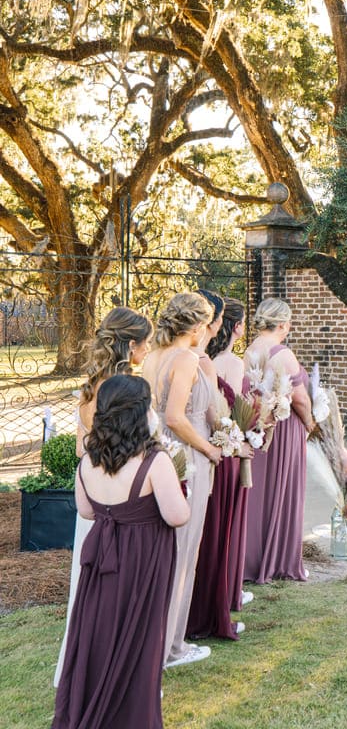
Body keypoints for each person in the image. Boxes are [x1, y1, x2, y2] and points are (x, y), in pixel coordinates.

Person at [53, 375, 190, 729]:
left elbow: (85, 511)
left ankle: (93, 700)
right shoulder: (153, 460)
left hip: (101, 560)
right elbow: (177, 516)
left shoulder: (88, 461)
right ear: (139, 413)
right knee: (138, 639)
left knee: (98, 633)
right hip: (141, 562)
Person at [54, 307, 153, 688]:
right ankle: (117, 671)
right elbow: (130, 449)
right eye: (145, 344)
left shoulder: (92, 383)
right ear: (130, 345)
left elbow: (83, 450)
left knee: (89, 592)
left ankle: (86, 666)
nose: (147, 351)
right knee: (119, 592)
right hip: (124, 504)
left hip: (93, 501)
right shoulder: (125, 389)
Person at [142, 291, 221, 669]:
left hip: (157, 458)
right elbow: (175, 416)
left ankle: (155, 638)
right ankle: (171, 647)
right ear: (198, 325)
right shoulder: (187, 358)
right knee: (183, 553)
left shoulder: (153, 356)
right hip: (187, 461)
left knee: (163, 553)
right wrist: (207, 449)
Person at [188, 293, 250, 641]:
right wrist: (236, 444)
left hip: (185, 448)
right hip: (211, 449)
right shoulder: (206, 361)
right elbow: (218, 414)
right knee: (211, 534)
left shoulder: (171, 357)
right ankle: (204, 616)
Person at [243, 297, 314, 583]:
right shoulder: (283, 353)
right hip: (284, 431)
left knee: (260, 495)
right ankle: (280, 560)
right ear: (283, 324)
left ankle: (254, 559)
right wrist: (310, 423)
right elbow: (299, 399)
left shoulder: (249, 351)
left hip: (259, 428)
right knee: (283, 492)